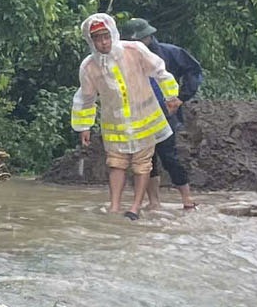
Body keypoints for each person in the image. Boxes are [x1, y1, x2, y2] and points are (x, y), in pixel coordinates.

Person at [69, 12, 178, 222]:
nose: (103, 42)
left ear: (113, 34)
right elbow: (86, 97)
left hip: (145, 119)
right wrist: (84, 126)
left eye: (106, 36)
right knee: (116, 164)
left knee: (142, 164)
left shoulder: (133, 50)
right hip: (115, 125)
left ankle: (135, 207)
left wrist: (171, 95)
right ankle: (115, 206)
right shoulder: (89, 67)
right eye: (98, 39)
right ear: (91, 41)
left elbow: (159, 70)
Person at [125, 18, 202, 212]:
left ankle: (187, 198)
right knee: (146, 159)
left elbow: (194, 69)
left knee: (168, 156)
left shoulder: (170, 53)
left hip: (166, 114)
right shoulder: (125, 58)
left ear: (149, 37)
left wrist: (182, 97)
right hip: (139, 115)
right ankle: (154, 201)